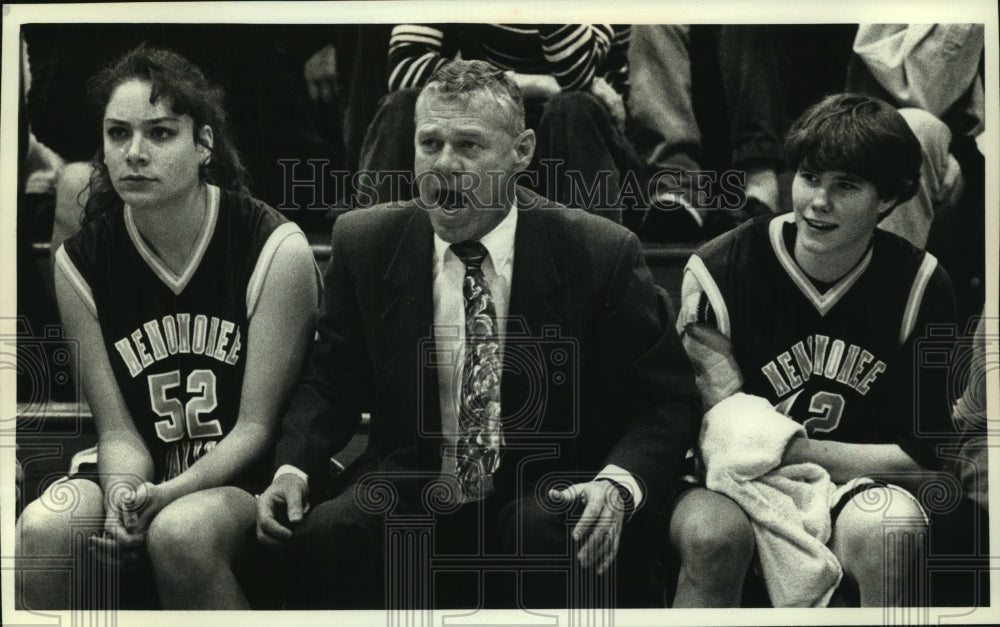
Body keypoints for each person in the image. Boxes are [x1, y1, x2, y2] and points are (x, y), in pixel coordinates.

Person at [255, 59, 700, 610]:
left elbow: (664, 400)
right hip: (415, 480)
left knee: (552, 533)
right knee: (330, 533)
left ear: (522, 151)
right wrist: (292, 467)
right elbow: (329, 385)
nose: (444, 165)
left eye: (468, 146)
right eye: (430, 143)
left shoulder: (599, 252)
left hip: (549, 482)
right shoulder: (365, 241)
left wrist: (616, 482)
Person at [15, 45, 320, 610]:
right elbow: (118, 433)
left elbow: (256, 429)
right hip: (145, 470)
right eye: (117, 134)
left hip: (244, 478)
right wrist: (125, 497)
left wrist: (164, 496)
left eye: (159, 134)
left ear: (204, 144)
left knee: (178, 530)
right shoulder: (80, 261)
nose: (133, 153)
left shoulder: (276, 247)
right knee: (41, 529)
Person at [668, 93, 958, 607]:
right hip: (725, 486)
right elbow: (722, 438)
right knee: (712, 537)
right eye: (809, 177)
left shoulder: (922, 284)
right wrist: (766, 454)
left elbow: (924, 458)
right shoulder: (719, 268)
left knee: (893, 528)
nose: (818, 201)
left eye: (845, 185)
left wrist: (790, 450)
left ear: (888, 199)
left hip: (851, 488)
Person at [355, 24, 637, 223]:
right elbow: (405, 69)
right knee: (402, 106)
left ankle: (593, 268)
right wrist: (538, 84)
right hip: (482, 132)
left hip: (584, 152)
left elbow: (575, 74)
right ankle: (371, 252)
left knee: (572, 108)